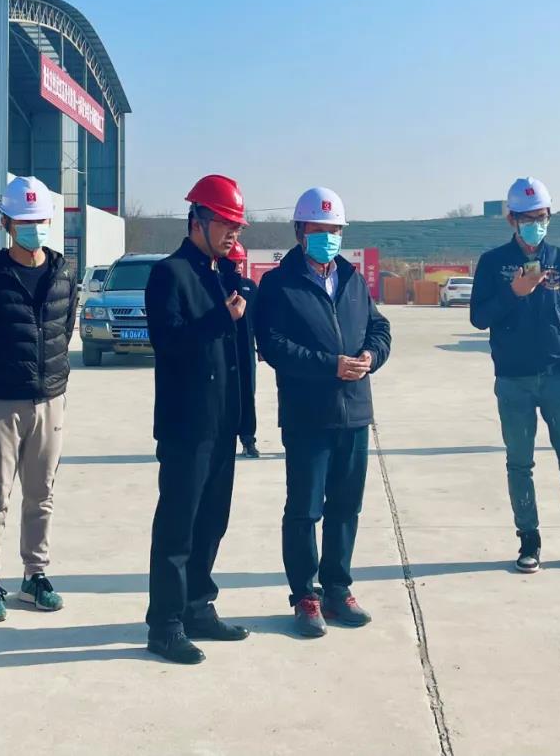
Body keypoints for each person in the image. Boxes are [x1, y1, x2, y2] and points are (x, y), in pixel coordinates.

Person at [255, 187, 392, 638]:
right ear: (300, 231)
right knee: (304, 509)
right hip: (308, 415)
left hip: (355, 413)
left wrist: (371, 356)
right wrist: (329, 366)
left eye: (335, 230)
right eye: (320, 229)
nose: (328, 237)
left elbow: (379, 327)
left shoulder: (352, 279)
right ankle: (304, 595)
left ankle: (337, 587)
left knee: (346, 507)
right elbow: (273, 345)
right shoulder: (279, 284)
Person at [469, 177, 560, 575]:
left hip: (558, 377)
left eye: (542, 217)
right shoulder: (493, 263)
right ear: (512, 220)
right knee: (520, 463)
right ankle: (529, 539)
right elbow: (479, 317)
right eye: (528, 218)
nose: (536, 224)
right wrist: (513, 293)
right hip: (513, 379)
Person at [144, 174, 252, 665]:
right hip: (186, 426)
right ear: (198, 221)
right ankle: (165, 624)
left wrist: (246, 422)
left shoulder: (222, 274)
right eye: (226, 224)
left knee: (212, 521)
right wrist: (219, 318)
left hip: (222, 423)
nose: (233, 233)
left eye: (237, 226)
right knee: (178, 528)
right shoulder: (169, 274)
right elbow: (168, 343)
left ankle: (197, 606)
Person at [0, 176, 80, 622]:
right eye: (25, 221)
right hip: (0, 402)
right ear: (7, 224)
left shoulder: (63, 272)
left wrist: (51, 376)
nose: (34, 228)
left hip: (50, 400)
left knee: (41, 494)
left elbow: (63, 328)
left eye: (40, 220)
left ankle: (35, 576)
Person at [226, 241, 260, 459]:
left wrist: (262, 347)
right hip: (223, 352)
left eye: (240, 262)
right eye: (234, 262)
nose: (238, 266)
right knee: (223, 398)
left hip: (246, 351)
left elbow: (260, 318)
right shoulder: (214, 286)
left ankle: (248, 440)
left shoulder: (249, 287)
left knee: (247, 395)